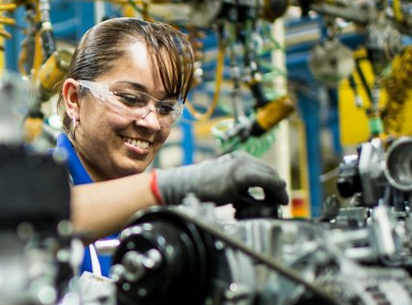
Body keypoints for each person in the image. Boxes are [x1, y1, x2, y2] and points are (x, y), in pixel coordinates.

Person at [55, 17, 288, 273]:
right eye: (131, 99)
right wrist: (172, 185)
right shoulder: (28, 184)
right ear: (74, 99)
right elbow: (44, 220)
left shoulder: (154, 222)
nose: (152, 123)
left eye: (166, 108)